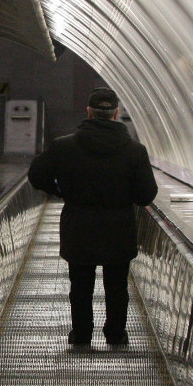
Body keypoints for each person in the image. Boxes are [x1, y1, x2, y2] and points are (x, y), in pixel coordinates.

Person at [28, 87, 159, 347]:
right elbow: (146, 195)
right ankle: (115, 334)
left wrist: (60, 190)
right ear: (116, 114)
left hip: (79, 224)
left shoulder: (63, 146)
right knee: (117, 287)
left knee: (80, 286)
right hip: (119, 226)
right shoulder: (135, 151)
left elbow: (36, 175)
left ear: (88, 112)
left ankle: (81, 335)